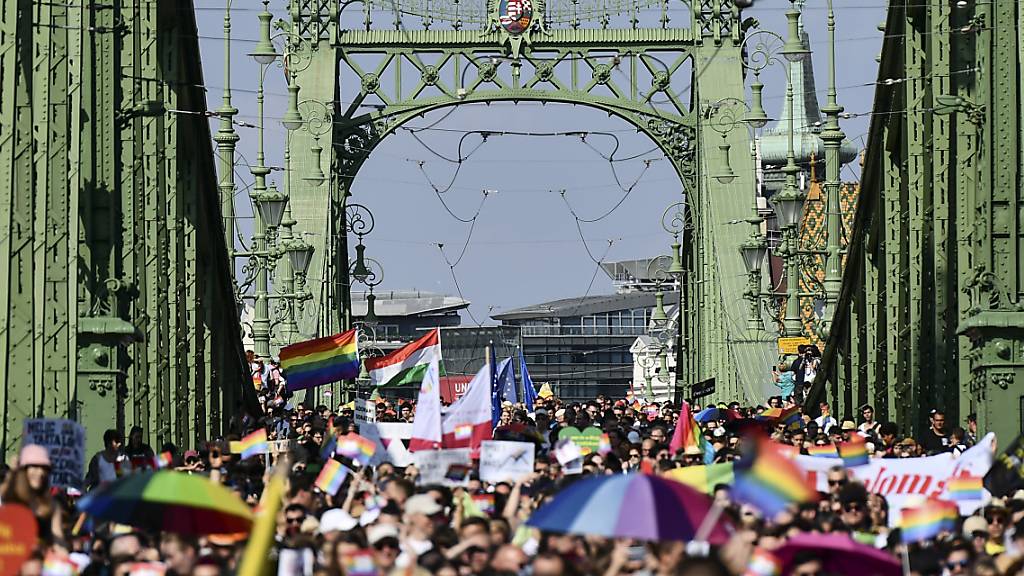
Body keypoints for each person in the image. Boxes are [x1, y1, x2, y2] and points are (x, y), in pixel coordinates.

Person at [0, 444, 64, 545]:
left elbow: (58, 539)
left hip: (40, 557)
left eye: (44, 468)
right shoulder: (9, 498)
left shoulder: (51, 505)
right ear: (23, 470)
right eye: (34, 467)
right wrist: (12, 474)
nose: (40, 472)